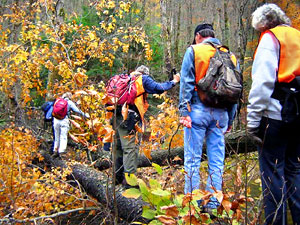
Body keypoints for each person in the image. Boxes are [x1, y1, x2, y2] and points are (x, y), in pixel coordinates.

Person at [247, 3, 300, 224]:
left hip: (276, 116)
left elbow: (262, 84)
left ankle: (276, 221)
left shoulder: (270, 39)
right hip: (297, 115)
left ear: (264, 24)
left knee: (272, 175)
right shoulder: (296, 35)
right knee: (295, 171)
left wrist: (253, 121)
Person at [179, 23, 238, 209]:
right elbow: (235, 90)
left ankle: (193, 207)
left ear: (198, 36)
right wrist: (231, 117)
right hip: (221, 114)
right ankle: (212, 205)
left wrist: (184, 112)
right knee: (216, 161)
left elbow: (186, 84)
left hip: (197, 109)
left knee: (192, 160)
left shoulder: (194, 51)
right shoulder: (230, 56)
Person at [112, 65, 180, 187]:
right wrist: (174, 81)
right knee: (130, 148)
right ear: (144, 73)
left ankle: (116, 178)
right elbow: (159, 88)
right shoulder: (143, 79)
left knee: (118, 147)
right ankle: (129, 183)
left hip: (114, 114)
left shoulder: (125, 78)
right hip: (128, 116)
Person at [52, 92, 89, 158]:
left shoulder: (57, 100)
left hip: (56, 120)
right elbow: (77, 110)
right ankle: (61, 152)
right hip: (64, 120)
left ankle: (55, 150)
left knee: (56, 136)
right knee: (63, 136)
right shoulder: (69, 102)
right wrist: (86, 115)